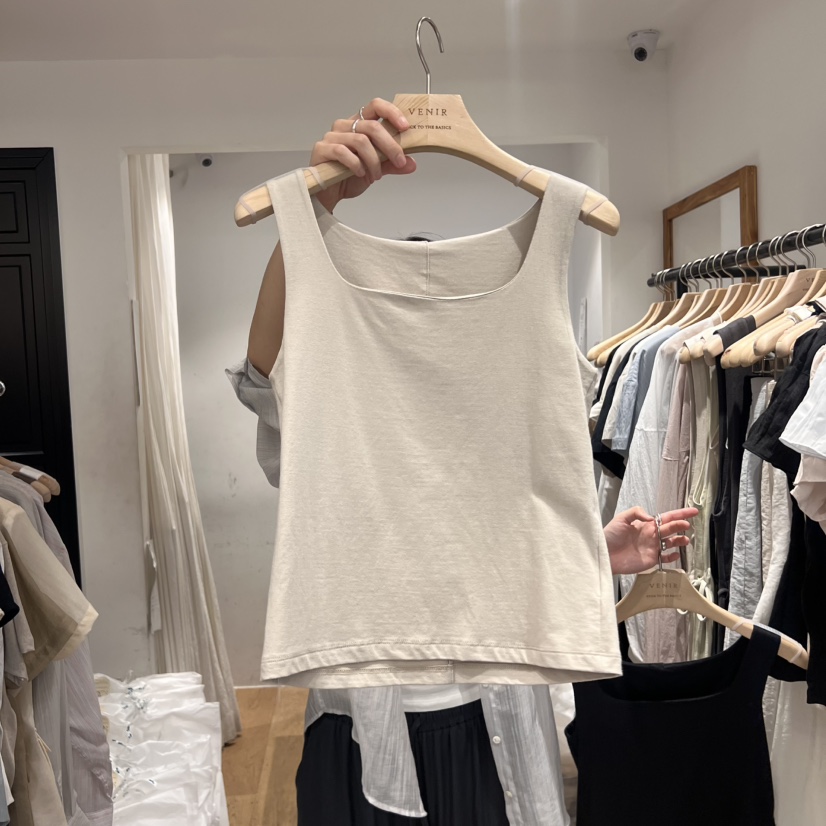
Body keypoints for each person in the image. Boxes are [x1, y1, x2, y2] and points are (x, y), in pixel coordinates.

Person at [237, 96, 698, 823]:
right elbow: (264, 375)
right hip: (365, 718)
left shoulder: (518, 346)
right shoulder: (331, 367)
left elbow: (495, 519)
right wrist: (312, 209)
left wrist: (593, 553)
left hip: (495, 707)